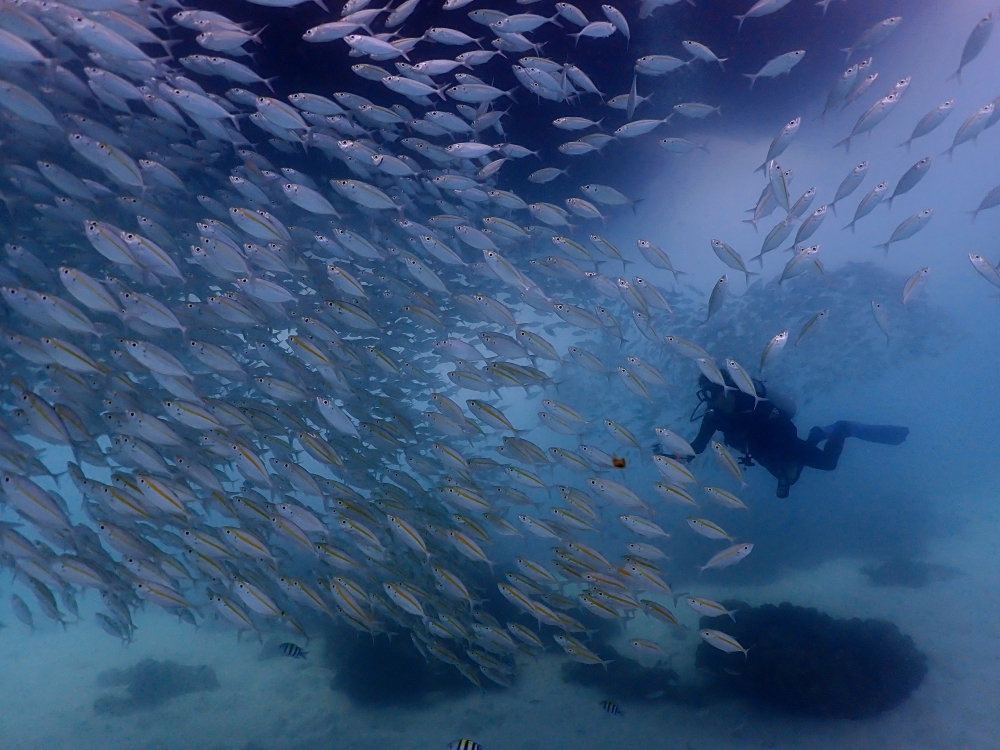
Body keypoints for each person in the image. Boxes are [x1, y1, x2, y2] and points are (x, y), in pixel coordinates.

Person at [667, 374, 908, 498]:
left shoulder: (753, 403)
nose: (713, 400)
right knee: (790, 480)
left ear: (728, 389)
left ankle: (842, 429)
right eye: (708, 395)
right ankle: (816, 435)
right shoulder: (713, 417)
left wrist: (786, 452)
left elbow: (785, 424)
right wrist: (673, 459)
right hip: (763, 455)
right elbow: (697, 447)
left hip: (786, 445)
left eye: (715, 393)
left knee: (828, 464)